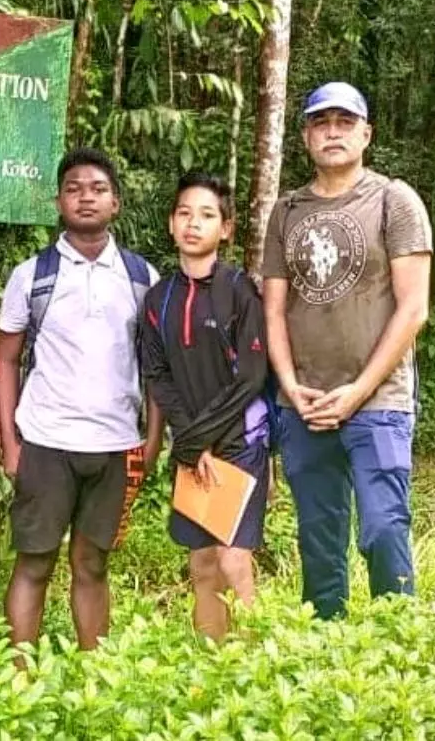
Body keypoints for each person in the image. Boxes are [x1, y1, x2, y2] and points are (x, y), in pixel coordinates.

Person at [261, 81, 432, 620]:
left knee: (383, 528)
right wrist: (289, 386)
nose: (332, 131)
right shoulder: (287, 211)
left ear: (365, 133)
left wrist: (358, 392)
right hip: (305, 404)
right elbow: (273, 310)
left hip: (378, 402)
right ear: (307, 136)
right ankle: (326, 647)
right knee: (318, 535)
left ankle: (396, 641)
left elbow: (413, 309)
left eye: (343, 121)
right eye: (320, 122)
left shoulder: (393, 200)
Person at [0, 148, 163, 652]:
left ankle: (95, 676)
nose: (85, 197)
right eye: (73, 188)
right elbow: (5, 360)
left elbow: (155, 368)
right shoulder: (32, 276)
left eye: (97, 189)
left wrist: (150, 442)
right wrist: (10, 441)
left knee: (93, 564)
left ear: (116, 203)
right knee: (34, 562)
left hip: (114, 446)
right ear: (58, 202)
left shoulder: (142, 278)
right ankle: (19, 677)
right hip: (46, 442)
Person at [140, 173, 271, 639]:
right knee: (201, 565)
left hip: (241, 444)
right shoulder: (159, 299)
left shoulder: (240, 291)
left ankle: (262, 662)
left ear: (227, 229)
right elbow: (158, 376)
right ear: (172, 224)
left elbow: (252, 376)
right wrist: (192, 444)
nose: (194, 223)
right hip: (194, 449)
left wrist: (198, 441)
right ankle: (213, 667)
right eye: (184, 214)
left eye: (207, 215)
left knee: (233, 560)